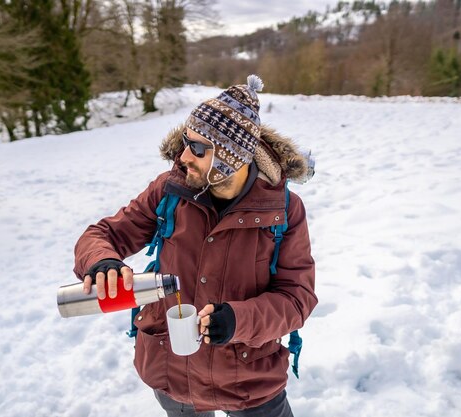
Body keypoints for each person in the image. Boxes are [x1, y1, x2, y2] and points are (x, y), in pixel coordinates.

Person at [73, 75, 317, 417]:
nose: (184, 155)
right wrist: (101, 261)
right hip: (173, 373)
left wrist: (238, 320)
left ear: (229, 160)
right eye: (187, 141)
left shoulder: (283, 211)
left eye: (199, 149)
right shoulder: (169, 190)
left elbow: (297, 299)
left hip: (249, 381)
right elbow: (103, 234)